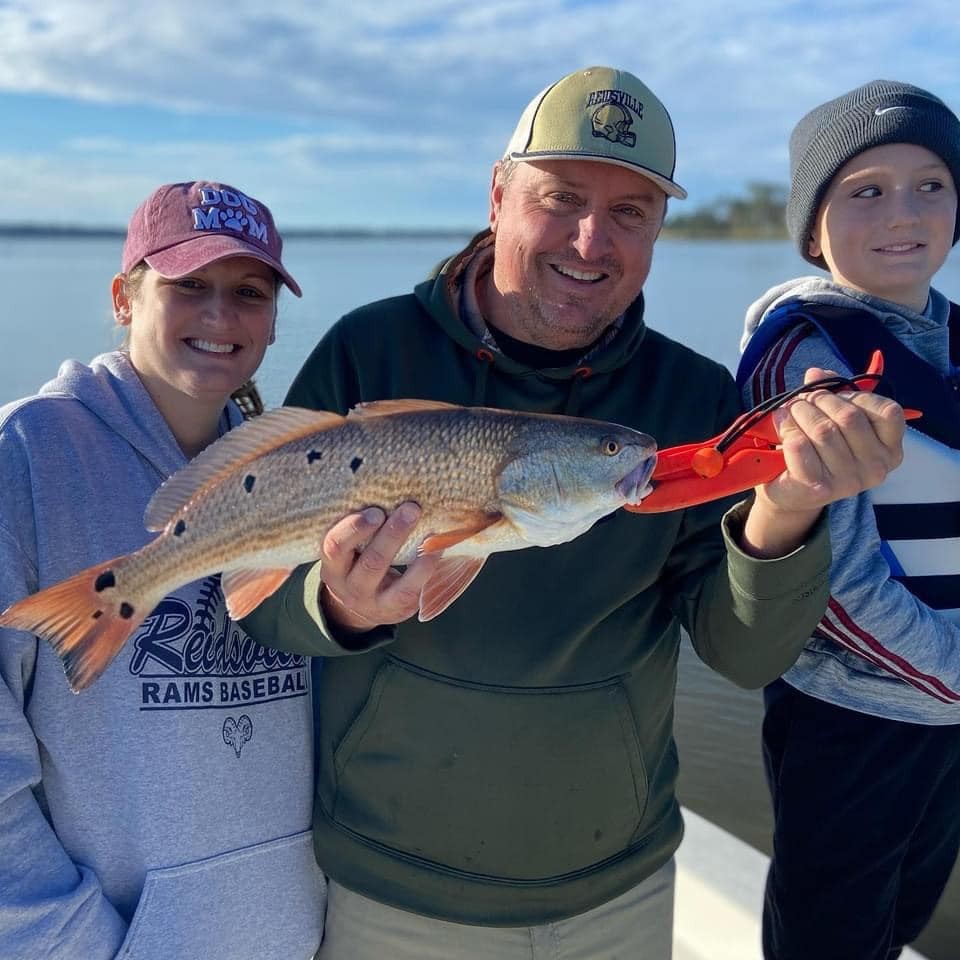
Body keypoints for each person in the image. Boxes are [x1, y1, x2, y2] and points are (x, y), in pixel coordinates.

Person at [242, 67, 905, 960]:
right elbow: (261, 608)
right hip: (393, 885)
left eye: (631, 212)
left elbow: (744, 654)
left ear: (659, 230)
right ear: (498, 196)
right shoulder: (370, 351)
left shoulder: (689, 396)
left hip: (618, 889)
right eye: (561, 199)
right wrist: (342, 605)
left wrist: (787, 509)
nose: (592, 241)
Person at [0, 181, 326, 960]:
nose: (220, 316)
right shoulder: (25, 458)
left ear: (275, 320)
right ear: (123, 296)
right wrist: (67, 941)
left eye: (249, 292)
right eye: (189, 286)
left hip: (290, 930)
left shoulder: (299, 464)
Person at [737, 80, 960, 960]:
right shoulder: (803, 362)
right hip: (853, 714)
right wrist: (952, 677)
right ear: (814, 221)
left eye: (931, 184)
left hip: (947, 711)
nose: (902, 213)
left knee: (909, 906)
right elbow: (833, 583)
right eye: (864, 191)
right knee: (828, 935)